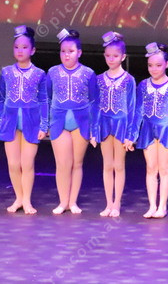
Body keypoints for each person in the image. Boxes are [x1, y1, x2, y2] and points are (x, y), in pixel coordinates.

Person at [0, 26, 48, 214]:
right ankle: (18, 198)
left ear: (32, 50)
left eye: (24, 47)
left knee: (27, 163)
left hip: (31, 121)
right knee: (13, 164)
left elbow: (44, 100)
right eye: (17, 47)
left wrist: (44, 125)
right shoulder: (7, 72)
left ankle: (27, 200)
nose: (20, 51)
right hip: (10, 121)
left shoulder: (39, 74)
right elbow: (1, 98)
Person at [47, 29, 98, 214]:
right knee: (62, 164)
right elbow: (46, 98)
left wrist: (93, 129)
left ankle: (73, 201)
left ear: (79, 52)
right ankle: (63, 202)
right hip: (58, 121)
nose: (66, 55)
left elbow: (94, 101)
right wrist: (45, 123)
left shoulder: (88, 73)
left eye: (70, 51)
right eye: (63, 51)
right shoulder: (53, 72)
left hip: (81, 122)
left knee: (76, 163)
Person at [132, 42, 168, 218]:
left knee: (164, 168)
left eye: (158, 65)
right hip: (148, 129)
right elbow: (138, 111)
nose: (154, 69)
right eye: (150, 65)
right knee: (150, 168)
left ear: (167, 64)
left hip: (166, 129)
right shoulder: (143, 85)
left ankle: (162, 206)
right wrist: (132, 135)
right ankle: (152, 205)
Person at [96, 31, 136, 217]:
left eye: (115, 56)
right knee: (107, 165)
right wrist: (94, 130)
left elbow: (132, 108)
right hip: (104, 124)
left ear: (123, 57)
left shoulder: (128, 80)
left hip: (121, 125)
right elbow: (95, 106)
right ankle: (108, 203)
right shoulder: (99, 79)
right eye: (108, 56)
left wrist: (131, 135)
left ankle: (117, 203)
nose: (111, 59)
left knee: (119, 165)